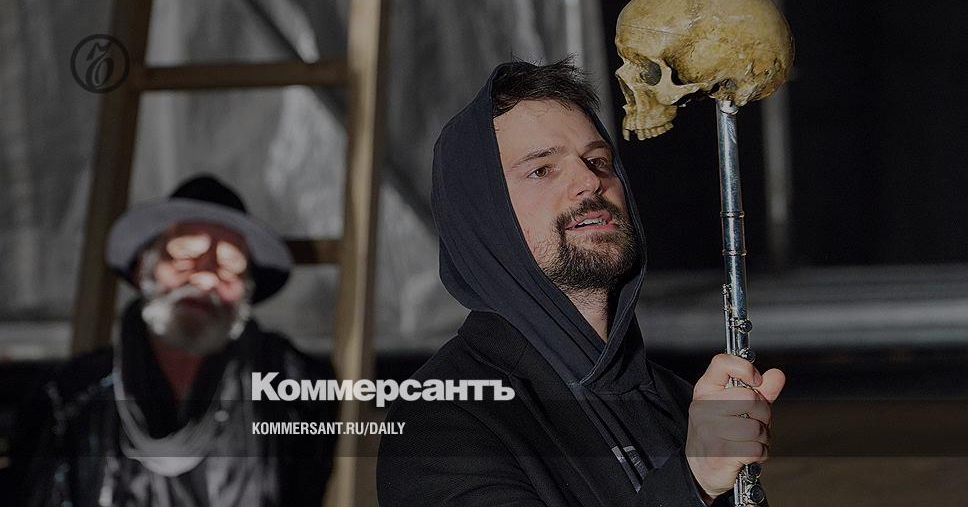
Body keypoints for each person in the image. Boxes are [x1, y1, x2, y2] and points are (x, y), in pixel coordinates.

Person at [376, 60, 785, 506]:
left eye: (598, 160)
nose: (590, 181)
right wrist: (692, 482)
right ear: (483, 217)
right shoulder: (437, 424)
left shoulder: (678, 400)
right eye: (541, 169)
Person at [10, 175, 337, 506]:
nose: (206, 275)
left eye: (230, 262)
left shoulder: (295, 395)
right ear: (144, 268)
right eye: (185, 252)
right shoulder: (71, 400)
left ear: (245, 290)